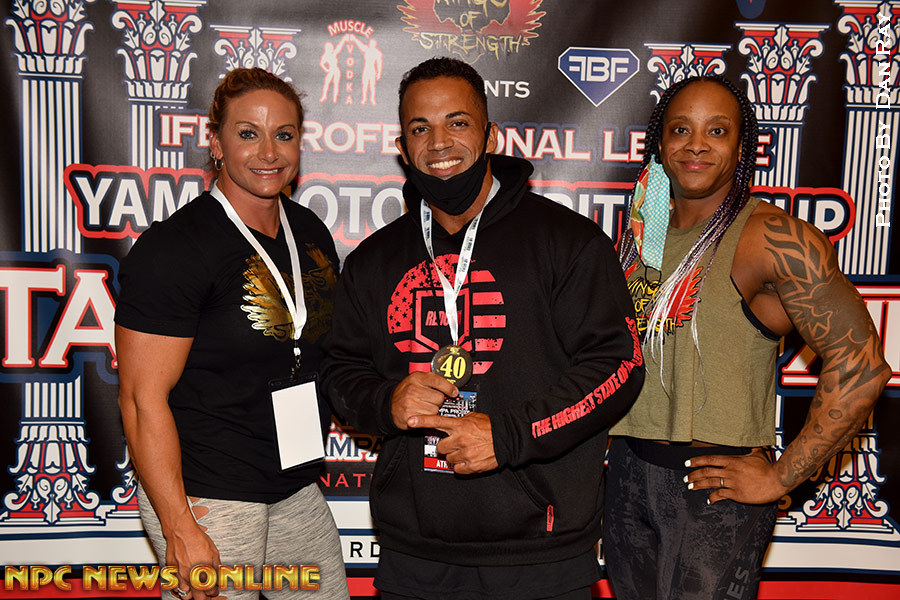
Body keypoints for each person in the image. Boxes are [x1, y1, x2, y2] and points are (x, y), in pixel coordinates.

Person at [320, 57, 644, 600]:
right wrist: (385, 401)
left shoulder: (567, 242)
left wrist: (509, 436)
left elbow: (619, 365)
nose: (438, 142)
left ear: (490, 135)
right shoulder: (374, 260)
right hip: (414, 552)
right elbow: (340, 370)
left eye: (457, 122)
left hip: (540, 551)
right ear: (402, 147)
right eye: (420, 128)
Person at [603, 75, 890, 600]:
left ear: (742, 148)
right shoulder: (643, 230)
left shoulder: (772, 237)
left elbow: (861, 362)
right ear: (659, 143)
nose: (696, 145)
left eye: (717, 130)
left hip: (714, 488)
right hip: (626, 472)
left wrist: (780, 478)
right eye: (680, 129)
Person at [115, 68, 350, 600]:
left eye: (283, 134)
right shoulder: (175, 248)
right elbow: (139, 399)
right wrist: (179, 525)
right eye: (248, 133)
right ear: (216, 143)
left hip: (292, 482)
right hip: (207, 493)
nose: (268, 152)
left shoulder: (309, 231)